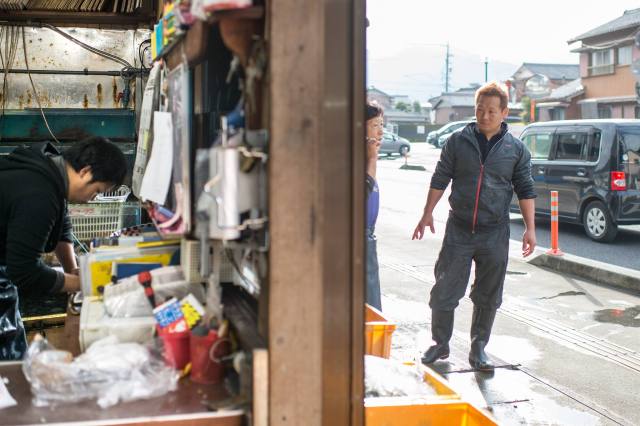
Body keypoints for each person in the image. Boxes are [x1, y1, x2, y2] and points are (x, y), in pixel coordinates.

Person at [412, 82, 536, 371]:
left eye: (492, 111)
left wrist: (530, 229)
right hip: (459, 228)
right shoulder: (457, 141)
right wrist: (427, 213)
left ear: (504, 112)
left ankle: (479, 347)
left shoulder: (516, 149)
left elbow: (525, 189)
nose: (485, 115)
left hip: (495, 231)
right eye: (480, 109)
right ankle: (440, 343)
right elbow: (441, 177)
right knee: (445, 289)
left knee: (488, 293)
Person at [0, 137, 128, 360]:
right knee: (7, 365)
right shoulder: (38, 193)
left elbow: (62, 224)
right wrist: (83, 285)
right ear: (85, 171)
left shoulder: (50, 169)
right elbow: (25, 272)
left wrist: (73, 270)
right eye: (97, 190)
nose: (92, 199)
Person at [366, 102, 384, 310]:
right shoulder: (354, 160)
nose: (380, 131)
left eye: (382, 125)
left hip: (368, 237)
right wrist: (372, 158)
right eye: (374, 125)